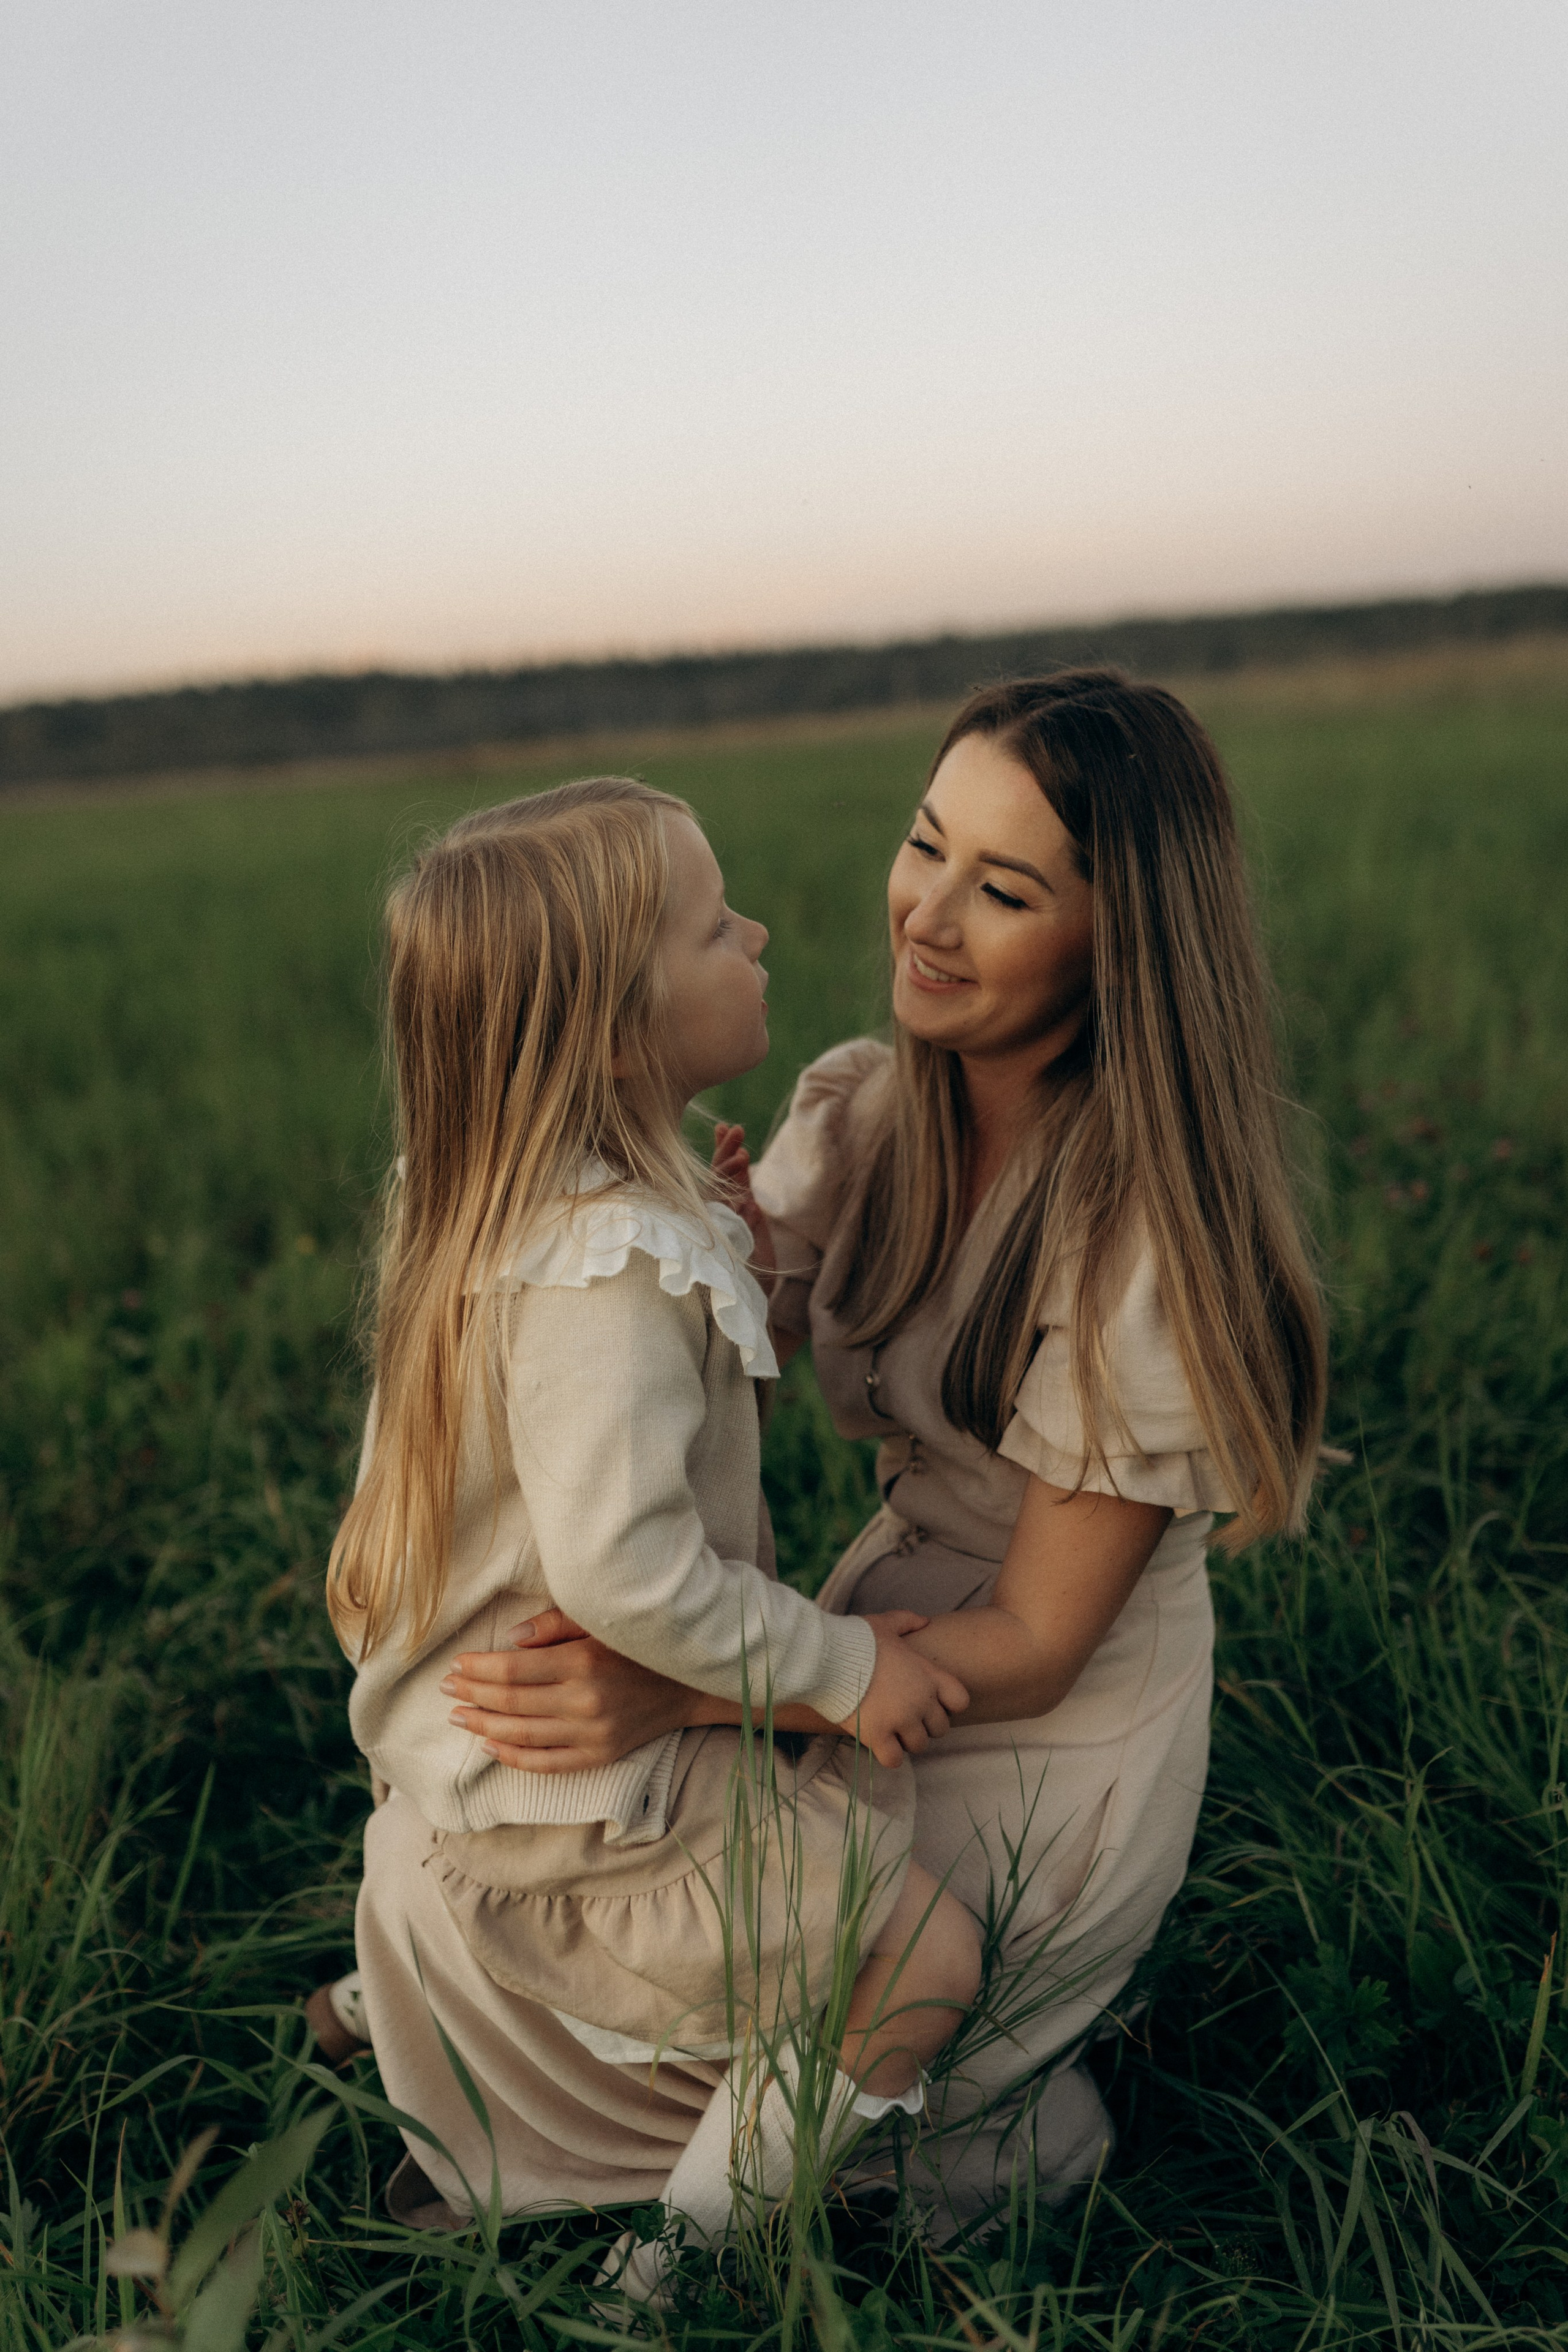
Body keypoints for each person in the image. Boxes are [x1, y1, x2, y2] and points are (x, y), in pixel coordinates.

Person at [440, 671, 1329, 2232]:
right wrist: (685, 1243)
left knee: (843, 2019)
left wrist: (684, 1682)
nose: (925, 914)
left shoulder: (1144, 1241)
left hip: (1035, 1714)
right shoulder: (861, 1107)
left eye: (1001, 890)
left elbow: (1044, 1646)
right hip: (857, 1641)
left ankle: (715, 2256)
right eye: (925, 846)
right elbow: (699, 1373)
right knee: (584, 1883)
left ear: (1123, 938)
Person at [324, 778, 981, 2281]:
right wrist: (837, 1666)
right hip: (578, 1786)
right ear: (614, 1031)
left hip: (485, 1745)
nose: (754, 933)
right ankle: (679, 2271)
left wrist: (719, 1250)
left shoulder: (499, 1199)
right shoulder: (601, 1267)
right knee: (929, 1957)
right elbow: (626, 1568)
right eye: (709, 925)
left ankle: (424, 1995)